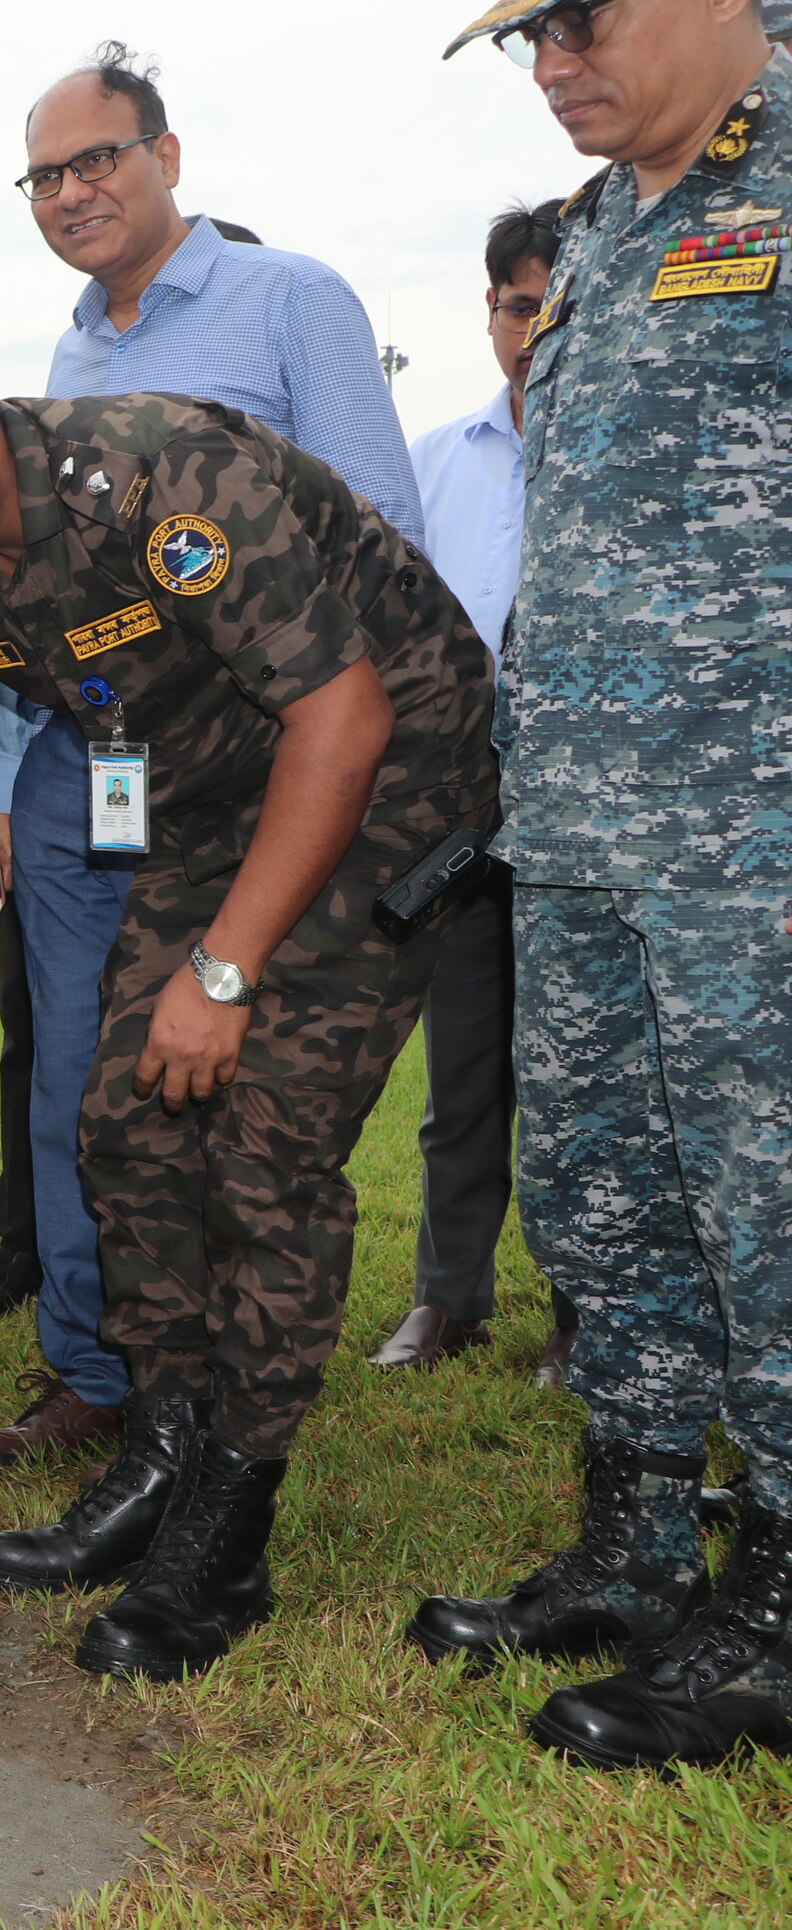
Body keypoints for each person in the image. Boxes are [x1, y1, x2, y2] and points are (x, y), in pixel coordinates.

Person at [0, 313, 495, 1682]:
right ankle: (162, 1457)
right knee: (128, 1122)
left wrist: (227, 970)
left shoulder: (164, 480)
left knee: (260, 1137)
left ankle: (228, 1533)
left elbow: (343, 720)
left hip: (384, 769)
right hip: (204, 802)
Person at [410, 0, 792, 1774]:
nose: (555, 58)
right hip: (578, 831)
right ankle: (644, 1547)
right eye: (529, 32)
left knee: (772, 1211)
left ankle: (784, 1604)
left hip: (756, 837)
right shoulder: (609, 227)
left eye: (588, 14)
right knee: (606, 1193)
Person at [0, 43, 427, 1468]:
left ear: (170, 154)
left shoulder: (292, 299)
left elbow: (381, 550)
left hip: (254, 780)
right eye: (44, 175)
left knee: (222, 1067)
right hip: (87, 766)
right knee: (74, 1078)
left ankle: (228, 1396)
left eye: (97, 159)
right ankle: (99, 1376)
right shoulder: (71, 351)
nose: (71, 192)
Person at [370, 202, 573, 1377]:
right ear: (489, 311)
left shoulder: (624, 449)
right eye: (518, 305)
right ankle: (450, 1297)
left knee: (583, 1078)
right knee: (464, 1074)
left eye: (556, 303)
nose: (536, 328)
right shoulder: (436, 462)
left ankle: (585, 1309)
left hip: (594, 816)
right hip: (461, 813)